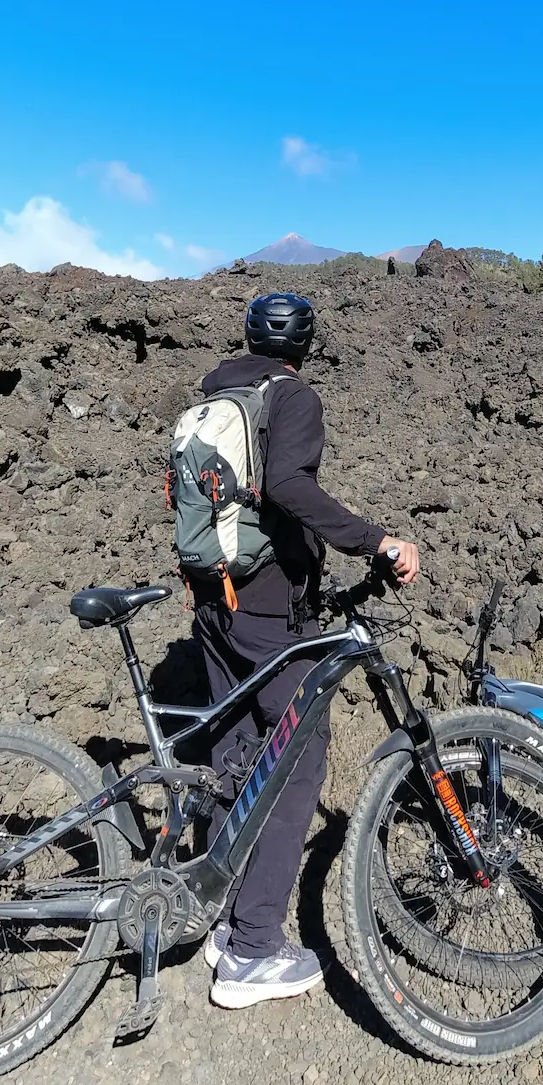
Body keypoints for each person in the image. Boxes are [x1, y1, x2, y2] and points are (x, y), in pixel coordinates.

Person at [192, 289, 419, 1010]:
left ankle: (222, 918)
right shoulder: (291, 397)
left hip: (212, 602)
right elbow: (288, 485)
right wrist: (373, 540)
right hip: (263, 608)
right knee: (296, 761)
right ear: (306, 344)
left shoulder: (216, 396)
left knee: (236, 758)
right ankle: (254, 948)